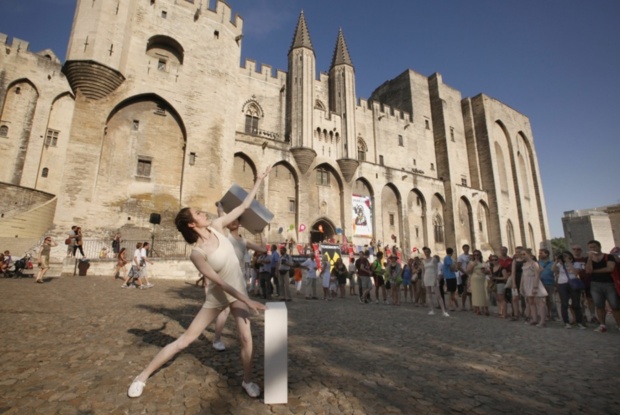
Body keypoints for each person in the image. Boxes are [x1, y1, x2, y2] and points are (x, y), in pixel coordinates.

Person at [127, 165, 270, 399]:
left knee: (246, 338)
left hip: (238, 292)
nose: (204, 213)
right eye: (198, 213)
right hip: (218, 297)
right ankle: (141, 377)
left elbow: (244, 206)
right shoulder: (197, 253)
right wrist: (248, 300)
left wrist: (258, 180)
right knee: (185, 341)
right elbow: (218, 282)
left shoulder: (217, 226)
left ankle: (247, 380)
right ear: (192, 224)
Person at [211, 212, 267, 351]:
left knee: (242, 310)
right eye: (231, 220)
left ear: (240, 223)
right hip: (227, 277)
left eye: (237, 220)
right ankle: (217, 339)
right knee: (224, 310)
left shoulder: (244, 241)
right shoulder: (224, 237)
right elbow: (220, 221)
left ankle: (244, 336)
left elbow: (263, 249)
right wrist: (221, 209)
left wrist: (261, 233)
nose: (234, 222)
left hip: (240, 278)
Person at [585, 240, 620, 333]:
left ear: (599, 247)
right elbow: (588, 271)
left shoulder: (608, 256)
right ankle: (602, 325)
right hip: (595, 284)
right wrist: (589, 259)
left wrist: (595, 271)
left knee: (615, 305)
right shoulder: (588, 259)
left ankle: (619, 324)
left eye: (594, 247)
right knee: (599, 305)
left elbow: (610, 268)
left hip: (609, 283)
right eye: (590, 247)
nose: (593, 249)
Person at [553, 251, 586, 329]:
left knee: (576, 304)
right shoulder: (560, 264)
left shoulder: (576, 264)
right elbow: (553, 269)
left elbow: (575, 273)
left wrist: (569, 262)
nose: (564, 258)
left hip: (573, 284)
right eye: (563, 256)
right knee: (564, 304)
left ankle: (579, 322)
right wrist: (556, 260)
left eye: (566, 256)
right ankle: (566, 322)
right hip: (562, 284)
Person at [519, 249, 547, 327]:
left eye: (523, 254)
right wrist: (521, 286)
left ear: (529, 255)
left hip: (534, 283)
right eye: (521, 254)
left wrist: (535, 286)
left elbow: (537, 275)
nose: (522, 256)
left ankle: (542, 321)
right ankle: (534, 319)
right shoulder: (524, 265)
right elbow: (523, 276)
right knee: (530, 302)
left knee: (539, 302)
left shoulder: (534, 263)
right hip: (527, 283)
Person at [422, 247, 448, 316]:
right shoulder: (423, 261)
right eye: (425, 252)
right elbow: (423, 271)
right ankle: (432, 310)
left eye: (427, 252)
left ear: (430, 252)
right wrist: (422, 281)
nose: (426, 253)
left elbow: (436, 270)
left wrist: (436, 279)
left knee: (438, 295)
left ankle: (443, 311)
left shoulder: (434, 260)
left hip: (433, 277)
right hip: (426, 278)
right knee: (429, 295)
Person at [467, 250, 489, 316]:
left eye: (477, 255)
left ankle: (485, 308)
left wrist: (485, 271)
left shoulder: (483, 262)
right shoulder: (471, 262)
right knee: (476, 294)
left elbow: (488, 271)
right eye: (475, 255)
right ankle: (477, 309)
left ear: (480, 255)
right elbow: (468, 271)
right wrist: (473, 265)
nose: (476, 256)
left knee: (485, 293)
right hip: (475, 279)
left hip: (482, 279)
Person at [457, 244, 471, 311]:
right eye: (465, 248)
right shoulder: (461, 257)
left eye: (467, 248)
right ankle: (463, 305)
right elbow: (459, 266)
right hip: (464, 274)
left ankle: (472, 306)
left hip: (470, 274)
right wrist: (465, 272)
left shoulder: (471, 256)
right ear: (463, 249)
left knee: (471, 290)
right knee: (465, 290)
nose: (466, 249)